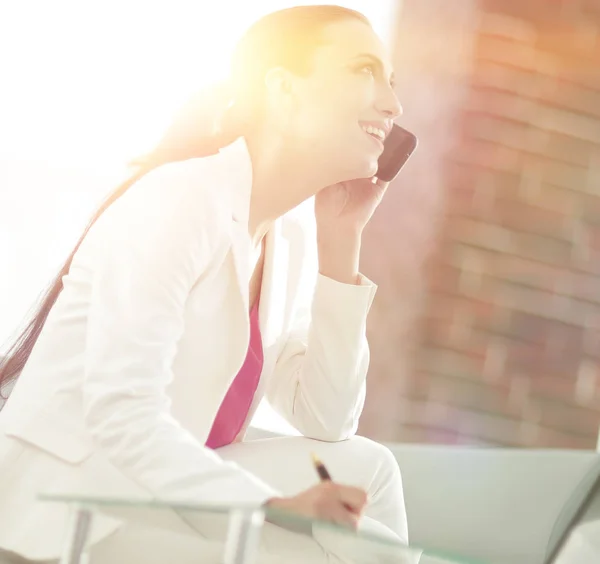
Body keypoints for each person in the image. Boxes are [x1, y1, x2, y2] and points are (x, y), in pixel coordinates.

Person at [0, 5, 407, 563]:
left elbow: (326, 418)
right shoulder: (181, 202)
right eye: (364, 71)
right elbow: (123, 414)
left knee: (370, 470)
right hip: (78, 503)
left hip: (158, 490)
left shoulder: (280, 240)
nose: (393, 104)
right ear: (284, 90)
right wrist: (271, 506)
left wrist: (342, 244)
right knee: (344, 554)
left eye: (391, 81)